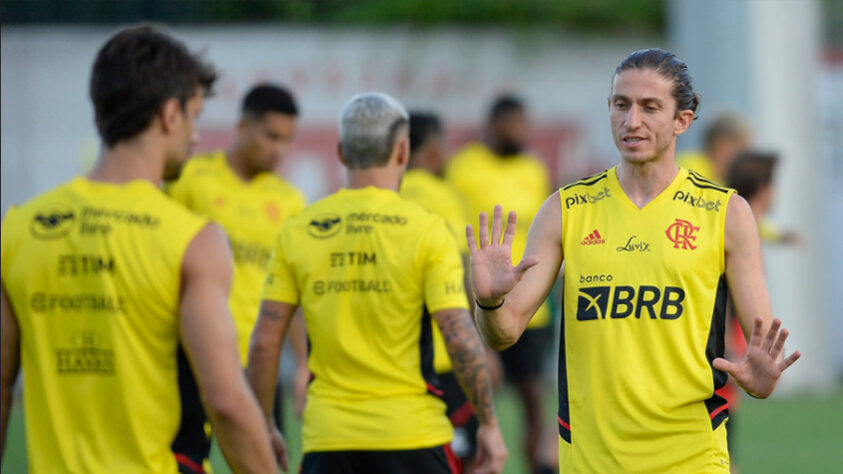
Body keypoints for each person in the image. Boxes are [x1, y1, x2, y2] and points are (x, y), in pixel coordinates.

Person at [466, 48, 801, 472]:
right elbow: (503, 332)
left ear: (682, 120)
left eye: (650, 107)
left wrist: (763, 379)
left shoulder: (726, 213)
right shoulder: (567, 208)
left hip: (691, 458)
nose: (632, 121)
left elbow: (759, 349)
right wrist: (490, 302)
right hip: (590, 461)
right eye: (621, 105)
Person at [0, 25, 276, 473]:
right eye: (195, 116)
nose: (196, 136)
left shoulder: (18, 229)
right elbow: (225, 399)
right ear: (170, 114)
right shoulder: (193, 239)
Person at [247, 93, 507, 474]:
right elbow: (457, 333)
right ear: (403, 151)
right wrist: (489, 423)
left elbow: (265, 341)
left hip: (328, 438)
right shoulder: (427, 230)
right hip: (411, 435)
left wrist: (265, 425)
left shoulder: (298, 231)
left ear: (341, 152)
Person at [166, 83, 309, 471]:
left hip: (261, 364)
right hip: (197, 357)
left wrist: (304, 363)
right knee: (186, 463)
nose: (279, 148)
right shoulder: (191, 180)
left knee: (267, 463)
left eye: (287, 140)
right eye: (271, 135)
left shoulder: (290, 200)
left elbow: (291, 294)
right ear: (243, 124)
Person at [446, 95, 554, 473]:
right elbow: (457, 246)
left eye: (526, 124)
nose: (522, 132)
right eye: (515, 125)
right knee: (477, 395)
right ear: (495, 125)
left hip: (531, 309)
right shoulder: (463, 168)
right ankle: (477, 463)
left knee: (533, 399)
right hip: (481, 305)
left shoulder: (535, 168)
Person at [399, 111, 503, 470]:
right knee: (470, 457)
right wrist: (482, 344)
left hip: (399, 357)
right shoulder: (441, 196)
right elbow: (460, 269)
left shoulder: (385, 195)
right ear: (429, 150)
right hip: (446, 356)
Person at [676, 112, 751, 184]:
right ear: (722, 144)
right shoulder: (690, 169)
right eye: (741, 149)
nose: (744, 158)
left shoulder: (721, 179)